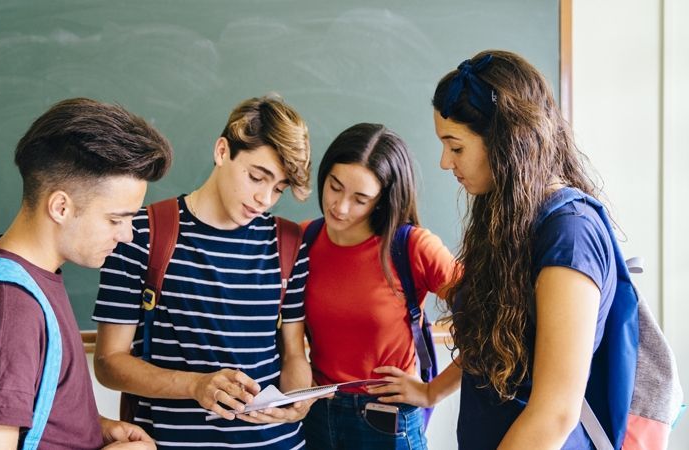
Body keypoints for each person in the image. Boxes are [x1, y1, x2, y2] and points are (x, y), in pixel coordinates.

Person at [384, 49, 616, 449]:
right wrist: (430, 391)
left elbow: (555, 412)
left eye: (455, 147)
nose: (444, 162)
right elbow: (491, 342)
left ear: (505, 142)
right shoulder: (508, 220)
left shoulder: (569, 234)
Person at [0, 98, 173, 449]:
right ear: (60, 207)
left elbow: (14, 410)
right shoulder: (9, 312)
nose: (127, 234)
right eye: (116, 219)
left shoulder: (9, 274)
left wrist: (91, 427)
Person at [91, 95, 314, 449]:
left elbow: (293, 355)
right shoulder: (140, 234)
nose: (265, 199)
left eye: (278, 189)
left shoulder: (288, 243)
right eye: (257, 177)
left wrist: (299, 400)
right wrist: (196, 385)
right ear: (223, 151)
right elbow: (108, 363)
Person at [300, 123, 457, 450]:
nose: (340, 207)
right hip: (316, 415)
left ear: (383, 200)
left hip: (385, 420)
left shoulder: (412, 247)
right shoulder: (303, 240)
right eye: (334, 186)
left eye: (360, 199)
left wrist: (432, 392)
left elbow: (492, 324)